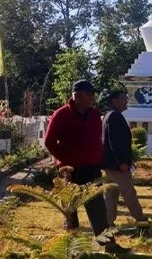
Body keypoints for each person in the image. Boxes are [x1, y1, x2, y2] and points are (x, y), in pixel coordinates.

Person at [44, 79, 129, 254]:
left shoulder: (94, 114)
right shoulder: (61, 115)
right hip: (70, 171)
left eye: (93, 94)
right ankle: (72, 249)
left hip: (92, 170)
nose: (92, 98)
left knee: (98, 209)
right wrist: (64, 161)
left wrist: (98, 157)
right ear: (76, 96)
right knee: (70, 211)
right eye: (88, 94)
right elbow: (49, 141)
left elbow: (97, 139)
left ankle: (109, 245)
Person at [102, 90, 147, 227]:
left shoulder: (108, 115)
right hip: (117, 166)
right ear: (114, 101)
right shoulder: (115, 116)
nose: (126, 102)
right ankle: (141, 220)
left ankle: (108, 223)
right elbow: (116, 143)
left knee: (111, 194)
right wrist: (122, 162)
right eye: (123, 99)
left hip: (109, 164)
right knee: (129, 193)